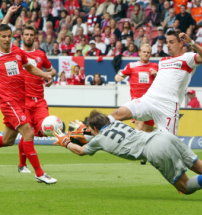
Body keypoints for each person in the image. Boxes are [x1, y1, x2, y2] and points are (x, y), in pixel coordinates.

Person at [54, 110, 202, 195]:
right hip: (164, 135)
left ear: (94, 128)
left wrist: (65, 142)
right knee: (196, 165)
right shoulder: (116, 123)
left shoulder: (98, 140)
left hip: (154, 148)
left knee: (185, 187)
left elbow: (80, 151)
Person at [110, 30, 202, 135]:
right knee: (120, 114)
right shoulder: (162, 61)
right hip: (147, 100)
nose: (167, 45)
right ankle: (90, 133)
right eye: (167, 42)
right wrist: (118, 77)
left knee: (155, 136)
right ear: (139, 52)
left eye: (171, 42)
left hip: (168, 106)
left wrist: (191, 42)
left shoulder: (188, 58)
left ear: (181, 43)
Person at [0, 23, 56, 184]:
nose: (5, 39)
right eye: (2, 36)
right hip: (8, 102)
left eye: (8, 36)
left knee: (8, 140)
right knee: (28, 132)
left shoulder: (17, 51)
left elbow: (30, 67)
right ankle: (40, 173)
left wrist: (45, 75)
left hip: (20, 100)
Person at [115, 44, 158, 132]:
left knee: (148, 130)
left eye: (148, 52)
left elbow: (163, 82)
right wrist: (119, 77)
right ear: (139, 53)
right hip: (137, 102)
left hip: (151, 103)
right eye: (144, 52)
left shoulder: (155, 66)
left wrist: (157, 74)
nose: (146, 54)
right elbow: (118, 76)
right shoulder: (131, 65)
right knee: (140, 127)